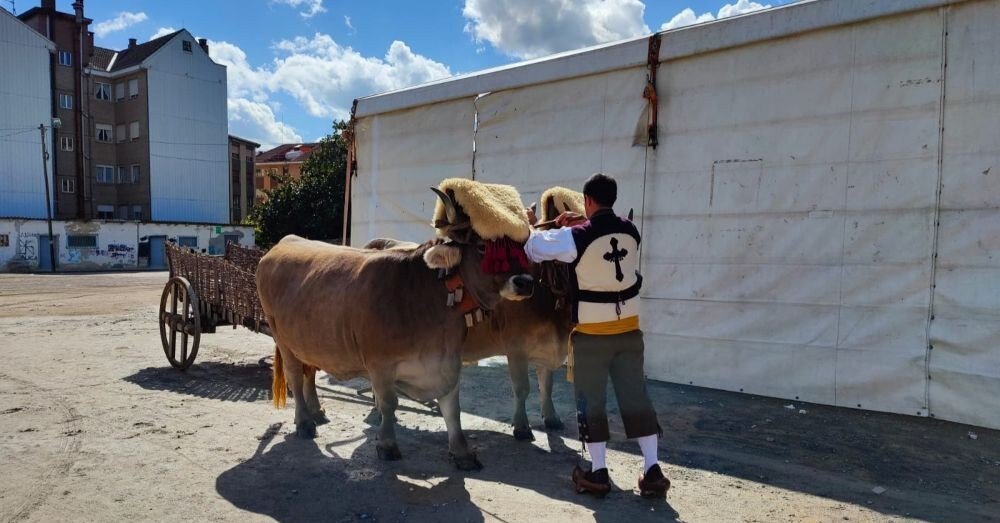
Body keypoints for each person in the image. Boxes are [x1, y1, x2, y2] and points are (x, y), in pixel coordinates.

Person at [523, 173, 668, 498]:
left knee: (591, 403)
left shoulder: (577, 237)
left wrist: (535, 225)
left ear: (587, 200)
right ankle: (653, 470)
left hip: (592, 336)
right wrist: (576, 223)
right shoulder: (630, 230)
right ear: (611, 198)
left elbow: (533, 249)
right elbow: (604, 231)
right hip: (629, 332)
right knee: (636, 399)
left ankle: (598, 472)